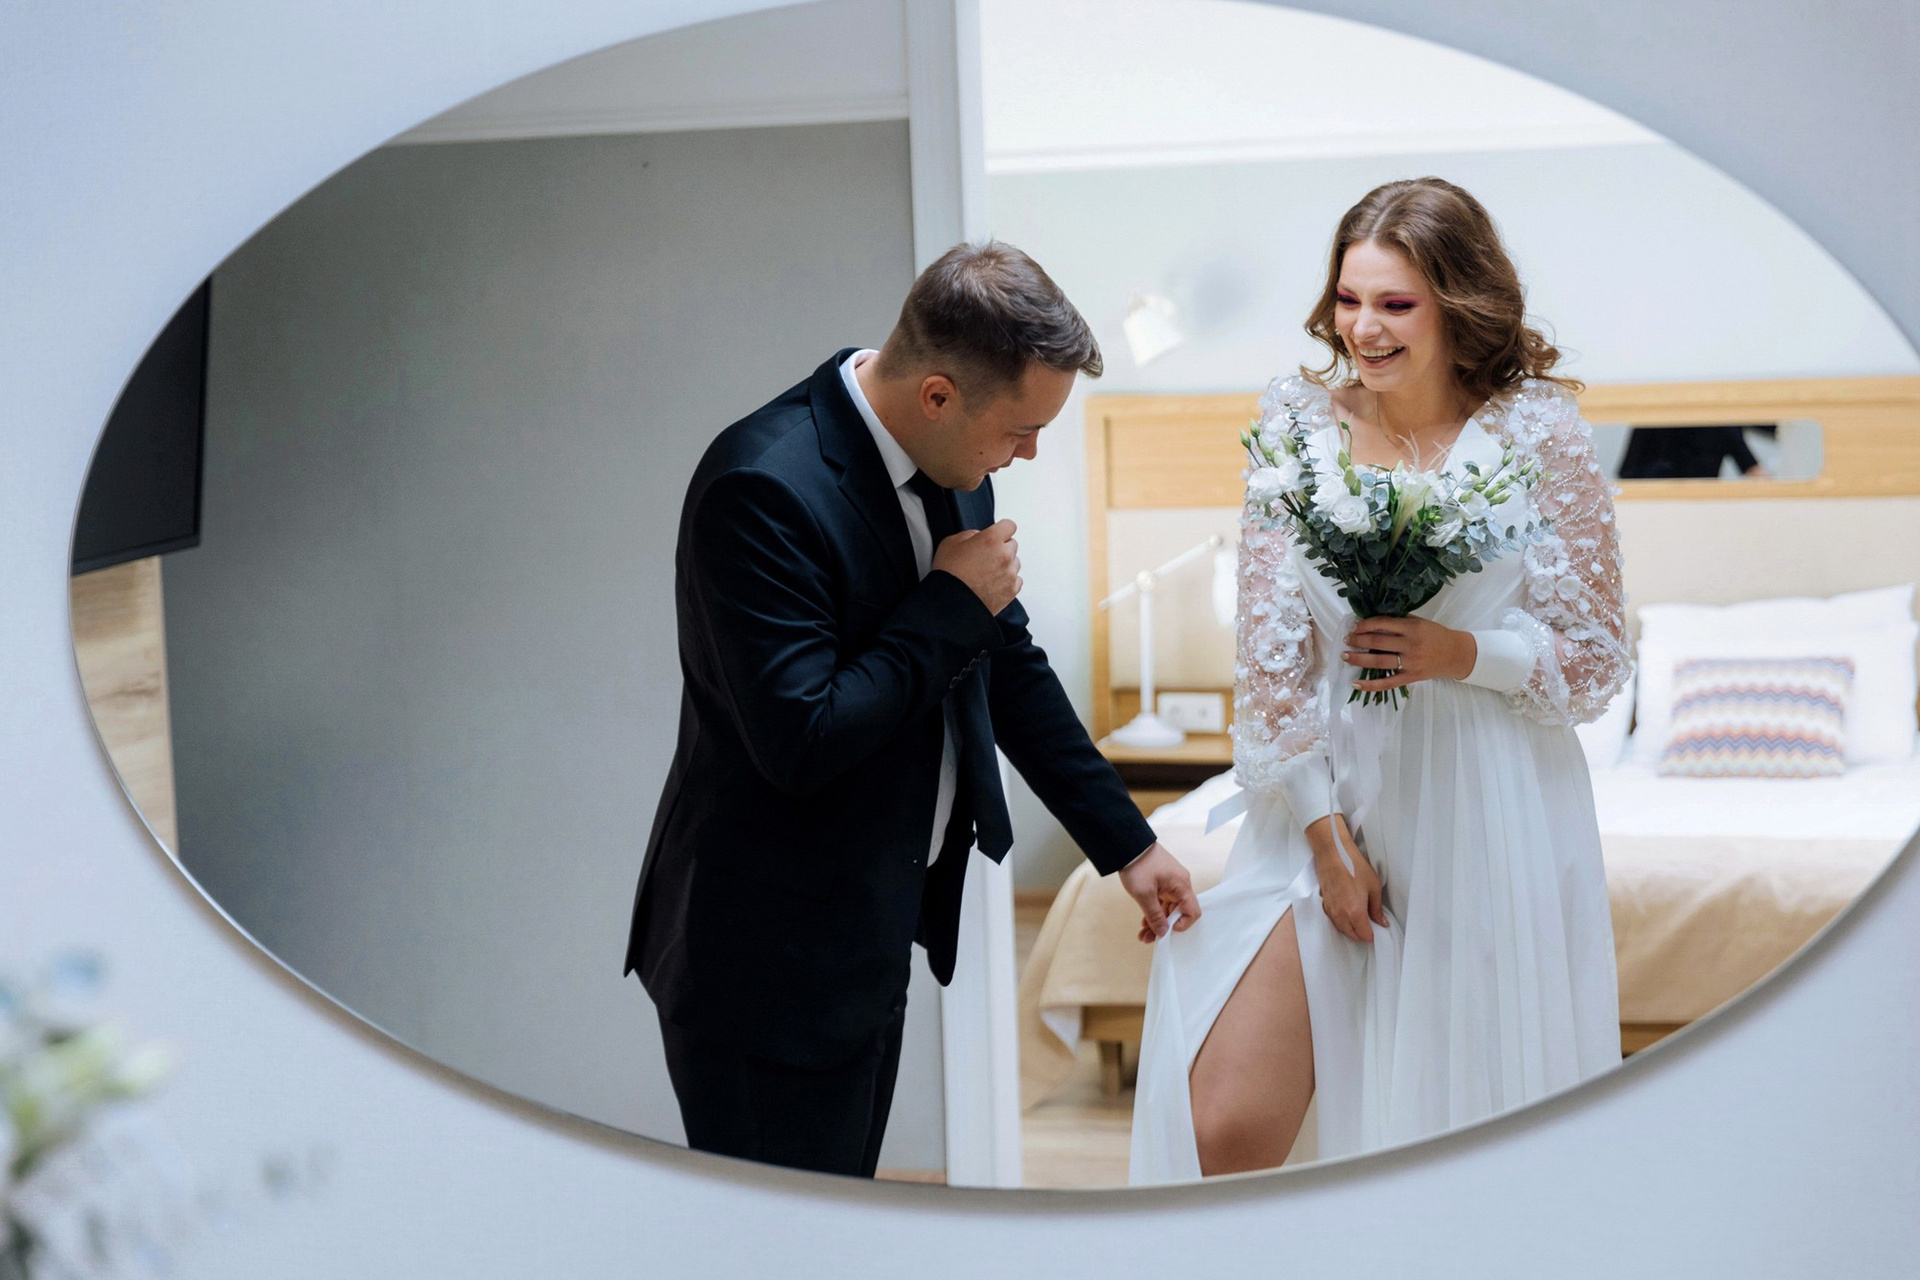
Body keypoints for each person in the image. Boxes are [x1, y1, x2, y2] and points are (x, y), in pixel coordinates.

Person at [625, 240, 1201, 1179]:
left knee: (843, 1213)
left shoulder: (958, 461)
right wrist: (949, 604)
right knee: (782, 1240)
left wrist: (1129, 847)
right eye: (1021, 429)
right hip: (765, 958)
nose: (1029, 453)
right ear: (938, 395)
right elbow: (803, 738)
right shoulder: (760, 488)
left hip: (871, 925)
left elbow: (1004, 662)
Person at [1129, 178, 1631, 1184]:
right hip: (1322, 804)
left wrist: (1462, 653)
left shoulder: (1539, 432)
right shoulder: (1296, 424)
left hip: (1488, 810)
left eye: (1396, 303)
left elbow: (1596, 658)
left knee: (1460, 1135)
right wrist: (1325, 837)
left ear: (1458, 304)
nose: (1363, 327)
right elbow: (1269, 665)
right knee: (1221, 1124)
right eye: (1349, 299)